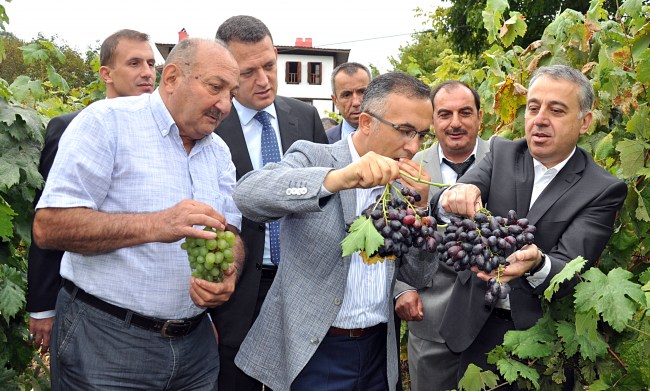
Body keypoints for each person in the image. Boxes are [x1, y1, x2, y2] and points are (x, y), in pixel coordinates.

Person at [32, 38, 244, 390]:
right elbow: (49, 226)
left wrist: (229, 272)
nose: (224, 105)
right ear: (173, 77)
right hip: (106, 343)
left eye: (232, 94)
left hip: (196, 349)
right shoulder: (106, 123)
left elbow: (231, 231)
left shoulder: (219, 151)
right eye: (215, 87)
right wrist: (156, 224)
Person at [233, 72, 438, 391]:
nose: (413, 147)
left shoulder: (407, 188)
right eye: (405, 131)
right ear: (367, 122)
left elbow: (420, 275)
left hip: (376, 353)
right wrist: (335, 180)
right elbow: (248, 195)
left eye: (422, 135)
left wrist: (421, 213)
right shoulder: (315, 157)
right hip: (313, 352)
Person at [436, 65, 628, 385]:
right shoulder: (502, 152)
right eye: (533, 107)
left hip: (542, 341)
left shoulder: (602, 189)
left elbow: (570, 268)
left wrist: (537, 263)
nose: (540, 118)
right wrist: (453, 196)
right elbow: (450, 201)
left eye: (556, 110)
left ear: (585, 123)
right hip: (475, 328)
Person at [210, 15, 329, 391]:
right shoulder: (209, 125)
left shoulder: (305, 116)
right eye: (247, 72)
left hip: (299, 284)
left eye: (269, 66)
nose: (263, 81)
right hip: (238, 290)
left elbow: (325, 192)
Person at [26, 28, 157, 355]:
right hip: (88, 308)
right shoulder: (72, 126)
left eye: (152, 63)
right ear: (106, 74)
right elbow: (49, 219)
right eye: (134, 63)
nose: (146, 72)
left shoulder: (166, 134)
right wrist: (43, 306)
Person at [393, 80, 489, 391]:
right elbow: (391, 233)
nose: (455, 123)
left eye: (465, 112)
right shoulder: (408, 167)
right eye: (445, 114)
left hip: (492, 320)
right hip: (430, 319)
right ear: (433, 121)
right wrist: (401, 287)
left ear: (480, 117)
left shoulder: (505, 160)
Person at [326, 62, 372, 143]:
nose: (356, 102)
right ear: (335, 101)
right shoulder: (323, 141)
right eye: (347, 95)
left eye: (362, 92)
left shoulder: (392, 138)